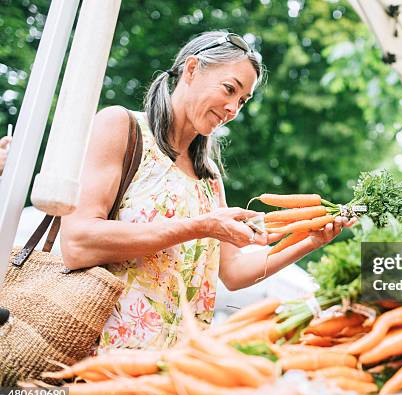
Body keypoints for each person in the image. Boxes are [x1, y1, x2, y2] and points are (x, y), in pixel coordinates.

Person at [59, 31, 353, 350]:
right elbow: (77, 242)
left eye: (242, 101)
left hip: (175, 373)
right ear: (191, 69)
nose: (233, 109)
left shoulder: (209, 178)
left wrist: (310, 240)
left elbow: (234, 272)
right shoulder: (122, 128)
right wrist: (202, 226)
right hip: (101, 362)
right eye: (229, 89)